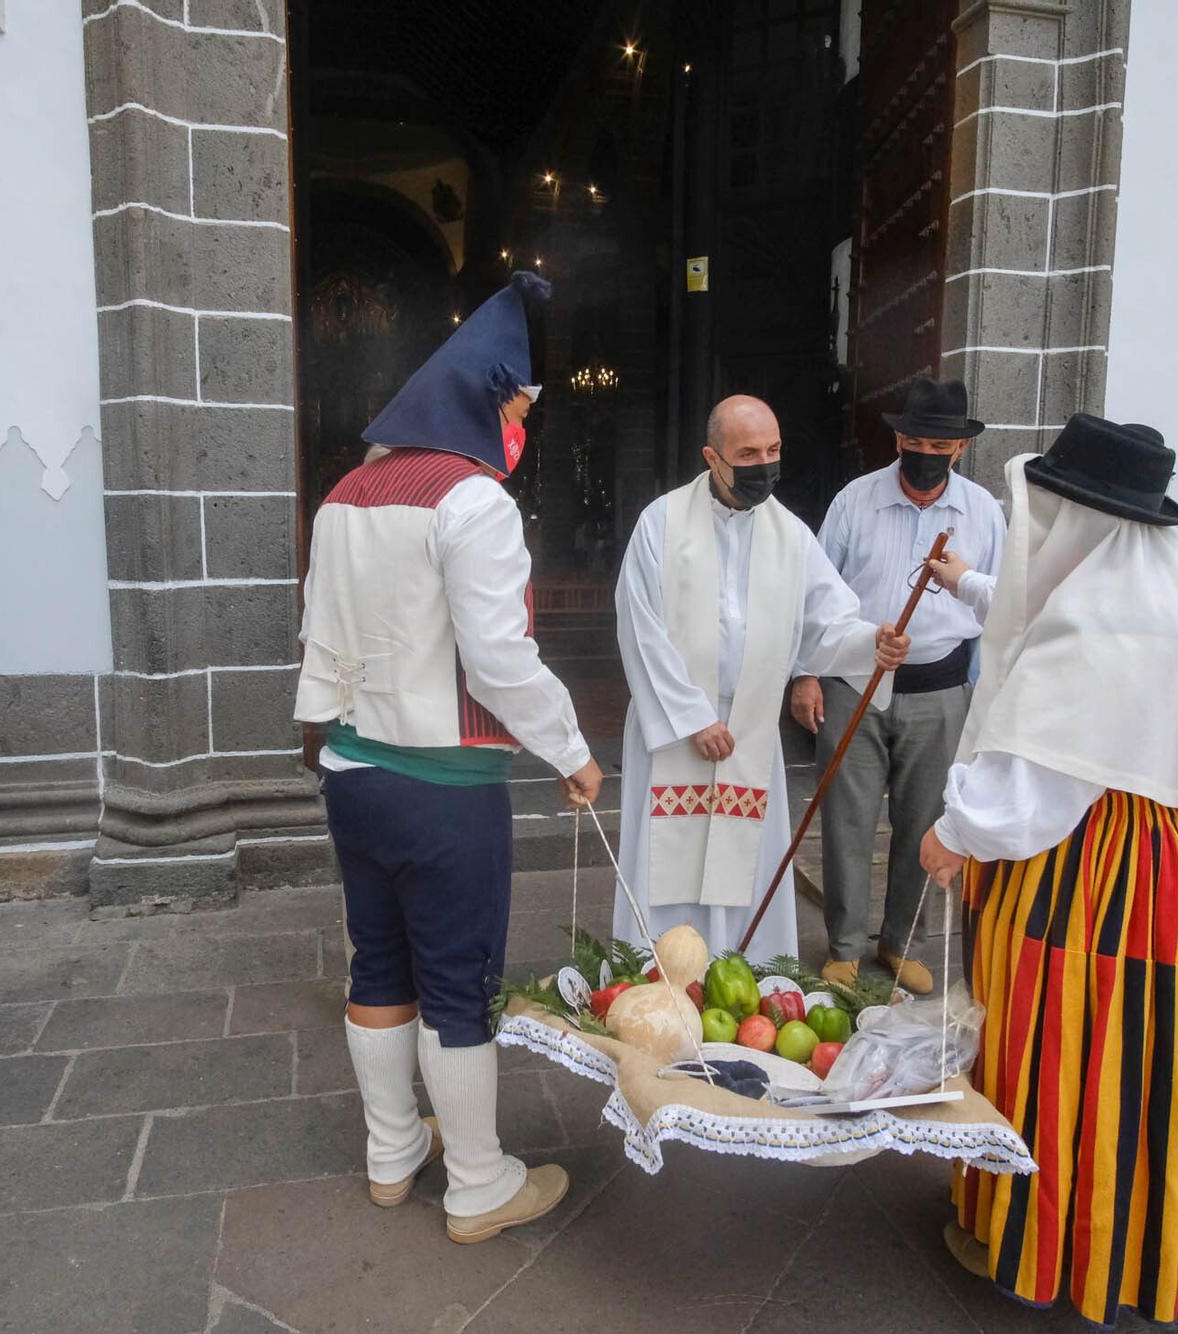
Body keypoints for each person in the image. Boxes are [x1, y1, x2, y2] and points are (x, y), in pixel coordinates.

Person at [919, 415, 1178, 1325]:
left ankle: (1061, 1241)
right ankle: (1162, 1238)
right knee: (1168, 1060)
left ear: (1074, 513)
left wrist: (955, 834)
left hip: (1099, 882)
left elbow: (1042, 771)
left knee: (1067, 1048)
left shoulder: (1104, 611)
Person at [295, 274, 606, 1245]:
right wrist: (570, 746)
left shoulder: (344, 494)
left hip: (352, 773)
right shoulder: (474, 502)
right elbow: (498, 654)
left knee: (377, 961)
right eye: (517, 407)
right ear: (484, 399)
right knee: (456, 978)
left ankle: (393, 1151)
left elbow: (317, 631)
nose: (520, 426)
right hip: (444, 787)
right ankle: (476, 1180)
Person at [612, 394, 910, 962]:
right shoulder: (662, 522)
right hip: (673, 726)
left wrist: (870, 642)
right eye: (748, 452)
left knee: (743, 864)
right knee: (664, 860)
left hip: (747, 726)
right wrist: (693, 717)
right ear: (712, 457)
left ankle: (742, 976)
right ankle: (654, 978)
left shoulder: (790, 535)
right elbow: (639, 625)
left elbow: (827, 619)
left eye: (773, 450)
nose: (764, 463)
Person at [791, 376, 1003, 994]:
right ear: (898, 438)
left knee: (925, 823)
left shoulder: (983, 513)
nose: (925, 454)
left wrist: (984, 699)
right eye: (914, 439)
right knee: (847, 819)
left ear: (958, 450)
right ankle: (846, 945)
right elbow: (815, 595)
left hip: (941, 690)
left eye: (939, 446)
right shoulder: (854, 502)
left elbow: (1001, 610)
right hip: (853, 681)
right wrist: (806, 675)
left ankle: (900, 942)